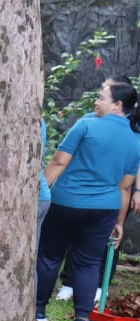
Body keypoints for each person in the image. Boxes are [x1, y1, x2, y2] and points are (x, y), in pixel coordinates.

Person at [36, 81, 140, 321]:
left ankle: (38, 311)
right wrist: (119, 222)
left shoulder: (87, 124)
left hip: (66, 201)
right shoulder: (136, 139)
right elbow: (125, 187)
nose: (96, 101)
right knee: (89, 262)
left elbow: (59, 162)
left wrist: (37, 193)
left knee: (50, 256)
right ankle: (82, 319)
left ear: (117, 105)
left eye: (101, 97)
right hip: (105, 209)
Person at [55, 73, 134, 302]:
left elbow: (132, 167)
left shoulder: (131, 129)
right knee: (79, 243)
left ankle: (100, 285)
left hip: (112, 194)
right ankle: (70, 285)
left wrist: (136, 191)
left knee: (106, 241)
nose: (98, 99)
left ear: (119, 103)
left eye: (104, 93)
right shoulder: (89, 122)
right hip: (83, 194)